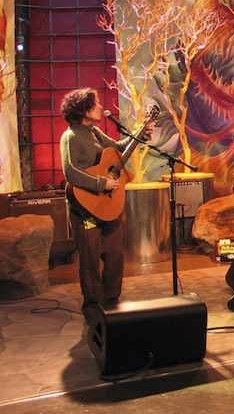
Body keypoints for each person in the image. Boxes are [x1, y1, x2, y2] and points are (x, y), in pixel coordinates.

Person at [59, 88, 154, 320]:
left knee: (115, 255)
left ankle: (112, 303)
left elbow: (120, 148)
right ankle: (93, 308)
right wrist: (103, 183)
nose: (101, 107)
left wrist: (140, 134)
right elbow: (70, 172)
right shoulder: (70, 136)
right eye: (96, 104)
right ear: (84, 109)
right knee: (90, 261)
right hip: (84, 209)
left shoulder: (96, 132)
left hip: (106, 206)